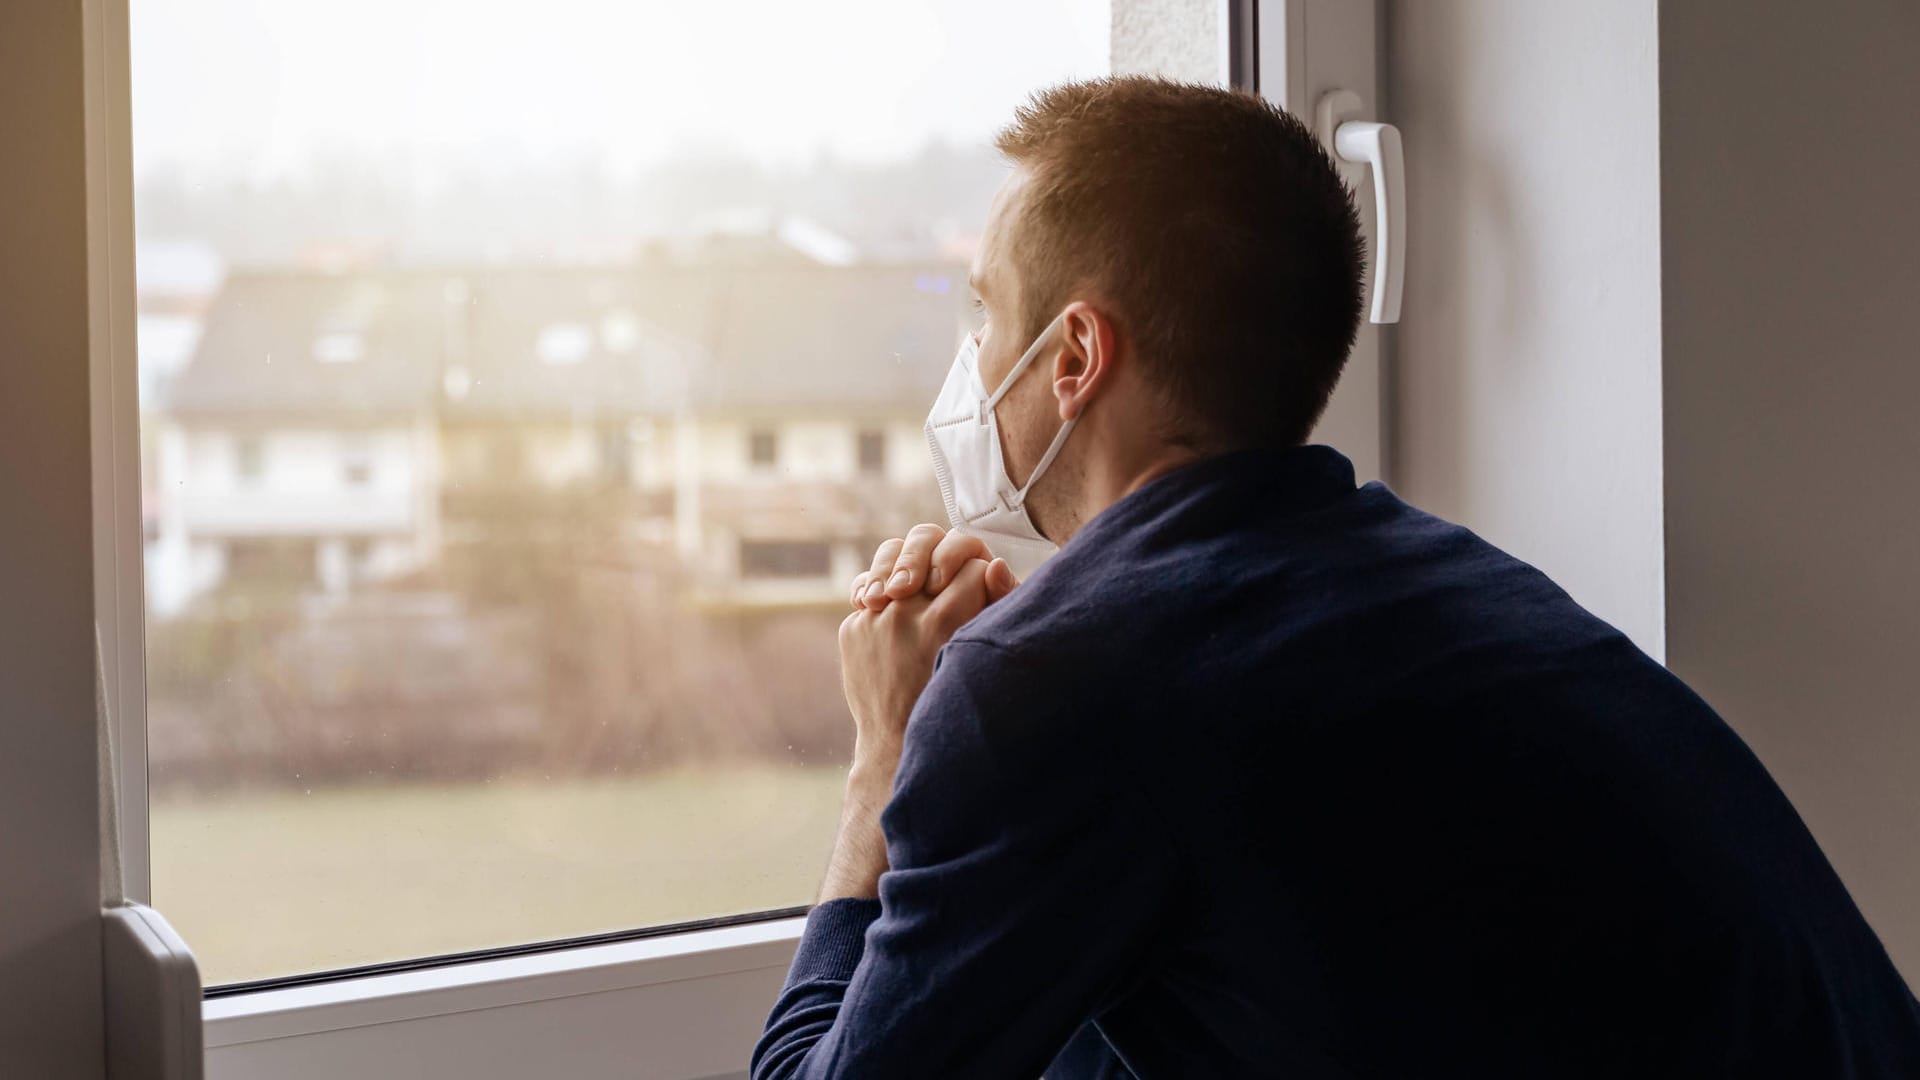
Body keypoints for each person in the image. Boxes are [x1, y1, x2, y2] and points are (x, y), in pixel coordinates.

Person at [749, 77, 1920, 1079]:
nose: (972, 364)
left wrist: (888, 762)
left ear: (1074, 356)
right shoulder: (1443, 591)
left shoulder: (1060, 685)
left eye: (986, 314)